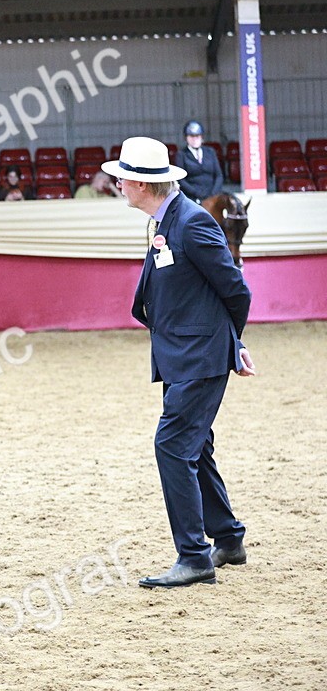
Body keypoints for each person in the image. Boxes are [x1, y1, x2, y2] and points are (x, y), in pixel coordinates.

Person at [101, 137, 254, 588]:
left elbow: (236, 290)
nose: (118, 183)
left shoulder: (192, 224)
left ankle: (194, 556)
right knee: (194, 445)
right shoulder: (166, 219)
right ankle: (226, 539)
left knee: (172, 445)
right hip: (183, 355)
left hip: (200, 356)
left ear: (143, 185)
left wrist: (233, 342)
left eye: (123, 177)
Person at [173, 120, 223, 203]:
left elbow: (219, 175)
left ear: (201, 137)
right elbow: (181, 180)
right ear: (186, 138)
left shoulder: (210, 152)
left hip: (212, 194)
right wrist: (197, 193)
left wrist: (213, 193)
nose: (194, 139)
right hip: (192, 196)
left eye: (197, 136)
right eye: (191, 136)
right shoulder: (181, 154)